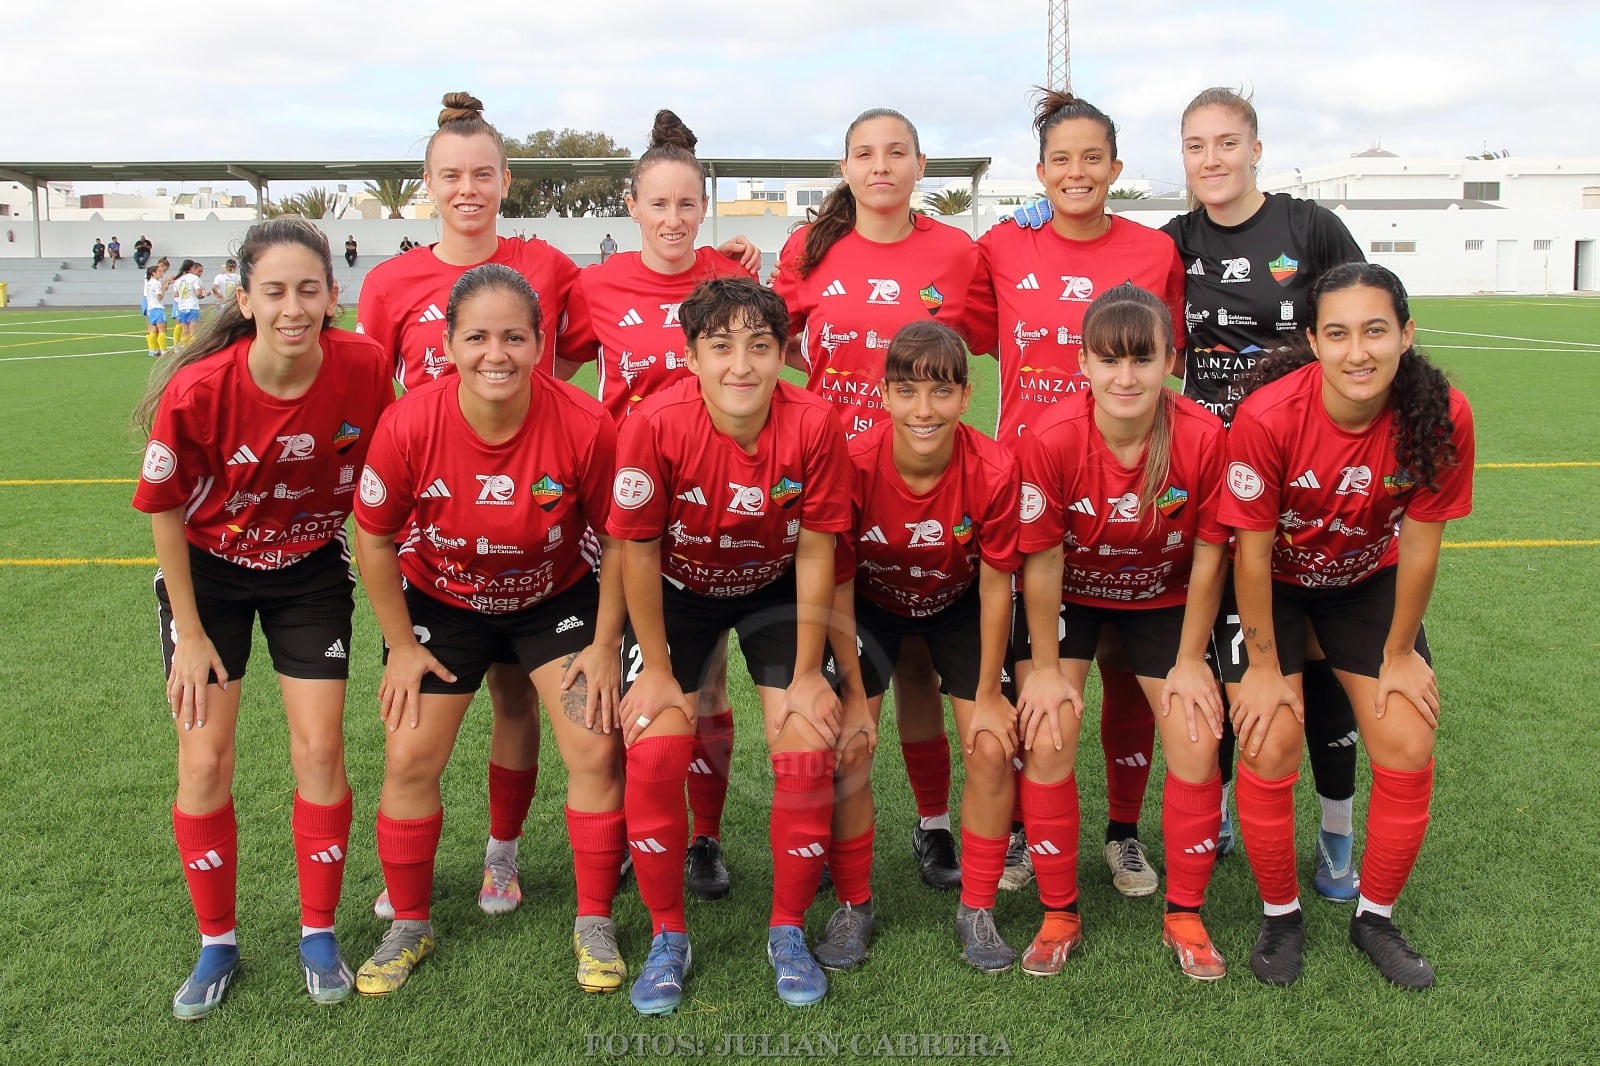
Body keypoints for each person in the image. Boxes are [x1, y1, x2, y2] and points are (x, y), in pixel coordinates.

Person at [131, 216, 394, 1019]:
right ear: (243, 299)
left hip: (309, 573)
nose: (292, 306)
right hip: (207, 583)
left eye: (308, 290)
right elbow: (166, 511)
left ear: (331, 296)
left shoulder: (364, 367)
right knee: (205, 763)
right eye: (274, 290)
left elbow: (395, 470)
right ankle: (217, 942)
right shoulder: (198, 390)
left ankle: (319, 932)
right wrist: (190, 633)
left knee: (319, 746)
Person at [352, 263, 627, 997]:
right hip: (445, 605)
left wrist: (604, 647)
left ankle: (592, 919)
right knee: (410, 755)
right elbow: (373, 537)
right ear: (447, 344)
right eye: (476, 337)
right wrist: (403, 645)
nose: (494, 353)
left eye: (513, 336)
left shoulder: (584, 422)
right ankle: (409, 923)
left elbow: (625, 539)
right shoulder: (409, 421)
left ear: (541, 345)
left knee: (596, 747)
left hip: (554, 598)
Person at [357, 91, 583, 921]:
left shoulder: (550, 267)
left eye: (482, 174)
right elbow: (369, 392)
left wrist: (721, 261)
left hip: (535, 535)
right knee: (417, 722)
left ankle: (501, 856)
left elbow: (638, 330)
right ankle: (408, 873)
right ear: (427, 182)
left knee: (517, 699)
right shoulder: (389, 283)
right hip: (434, 547)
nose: (467, 189)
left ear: (505, 180)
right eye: (450, 175)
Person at [1220, 262, 1474, 990]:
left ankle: (1375, 917)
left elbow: (1421, 546)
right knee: (1268, 735)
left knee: (1406, 732)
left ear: (1406, 334)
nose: (1357, 352)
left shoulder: (1440, 412)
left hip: (1365, 583)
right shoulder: (1269, 416)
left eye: (1374, 330)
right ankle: (1281, 915)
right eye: (1337, 334)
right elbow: (1252, 552)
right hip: (1276, 587)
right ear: (1313, 340)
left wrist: (1399, 653)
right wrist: (1263, 667)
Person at [610, 276, 856, 1014]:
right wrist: (654, 669)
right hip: (678, 592)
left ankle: (786, 929)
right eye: (720, 347)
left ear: (785, 352)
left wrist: (811, 671)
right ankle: (667, 936)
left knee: (809, 741)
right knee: (654, 748)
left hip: (773, 585)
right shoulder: (654, 423)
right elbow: (637, 553)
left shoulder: (814, 422)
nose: (741, 365)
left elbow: (816, 552)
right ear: (690, 356)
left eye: (760, 346)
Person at [967, 88, 1187, 901]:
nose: (1077, 172)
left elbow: (1173, 360)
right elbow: (943, 304)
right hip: (1036, 491)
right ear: (1039, 172)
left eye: (1093, 157)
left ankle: (1123, 836)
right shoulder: (1001, 246)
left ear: (1117, 168)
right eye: (1061, 159)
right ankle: (1026, 829)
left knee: (1132, 670)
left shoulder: (1154, 253)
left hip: (1136, 487)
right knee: (1044, 677)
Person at [1162, 86, 1368, 898]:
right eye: (1194, 145)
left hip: (1306, 478)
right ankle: (1213, 817)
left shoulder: (1307, 227)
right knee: (1222, 655)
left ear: (1254, 147)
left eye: (1225, 142)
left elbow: (1363, 312)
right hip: (1214, 477)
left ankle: (1336, 834)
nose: (1210, 159)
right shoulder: (1173, 241)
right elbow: (1099, 256)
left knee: (1317, 659)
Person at [771, 106, 983, 893]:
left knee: (923, 665)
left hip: (930, 477)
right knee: (835, 656)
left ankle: (933, 828)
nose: (882, 165)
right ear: (846, 166)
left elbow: (992, 337)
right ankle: (828, 834)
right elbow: (778, 336)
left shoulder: (959, 253)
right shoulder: (807, 249)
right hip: (837, 479)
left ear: (922, 166)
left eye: (898, 152)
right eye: (866, 153)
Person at [559, 109, 761, 904]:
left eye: (687, 205)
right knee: (619, 676)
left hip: (711, 514)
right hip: (623, 521)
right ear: (632, 207)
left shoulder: (732, 279)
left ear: (701, 206)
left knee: (704, 685)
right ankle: (623, 828)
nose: (674, 220)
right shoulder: (598, 286)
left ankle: (703, 839)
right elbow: (556, 371)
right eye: (659, 205)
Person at [1014, 282, 1230, 981]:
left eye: (1143, 359)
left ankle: (1185, 916)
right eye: (1110, 360)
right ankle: (1059, 914)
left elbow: (1208, 554)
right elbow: (1042, 560)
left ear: (1171, 359)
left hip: (1161, 599)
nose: (1127, 376)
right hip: (1072, 595)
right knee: (1047, 731)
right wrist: (1044, 668)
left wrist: (1194, 658)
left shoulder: (1200, 434)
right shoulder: (1051, 437)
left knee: (1197, 736)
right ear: (1084, 363)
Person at [821, 320, 1022, 974]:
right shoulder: (851, 465)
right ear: (883, 395)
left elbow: (997, 588)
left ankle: (978, 907)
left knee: (992, 746)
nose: (923, 409)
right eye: (906, 392)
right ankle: (854, 903)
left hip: (957, 601)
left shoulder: (993, 466)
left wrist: (990, 694)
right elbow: (838, 581)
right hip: (872, 602)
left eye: (940, 393)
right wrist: (852, 691)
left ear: (967, 397)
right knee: (847, 744)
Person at [170, 260, 210, 348]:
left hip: (182, 308)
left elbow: (175, 294)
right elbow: (198, 294)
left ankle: (183, 349)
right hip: (192, 307)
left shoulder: (178, 280)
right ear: (192, 268)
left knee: (185, 331)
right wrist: (205, 294)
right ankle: (191, 350)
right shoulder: (195, 279)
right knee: (193, 331)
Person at [143, 261, 171, 356]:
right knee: (162, 330)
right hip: (158, 308)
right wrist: (164, 289)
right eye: (159, 271)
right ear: (153, 273)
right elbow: (160, 297)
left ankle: (152, 350)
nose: (161, 273)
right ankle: (163, 350)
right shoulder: (156, 283)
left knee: (153, 329)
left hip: (151, 308)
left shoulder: (149, 282)